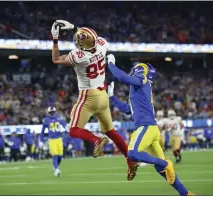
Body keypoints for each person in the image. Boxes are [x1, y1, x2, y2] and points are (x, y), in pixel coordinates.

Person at [49, 19, 137, 179]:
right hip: (103, 96)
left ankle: (96, 140)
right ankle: (130, 160)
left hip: (88, 97)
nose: (76, 42)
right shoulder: (102, 44)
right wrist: (76, 28)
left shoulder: (78, 56)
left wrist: (55, 39)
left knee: (74, 130)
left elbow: (55, 59)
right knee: (111, 132)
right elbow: (92, 37)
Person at [106, 54, 193, 195]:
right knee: (161, 170)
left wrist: (110, 64)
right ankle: (186, 194)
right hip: (151, 129)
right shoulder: (140, 90)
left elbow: (123, 78)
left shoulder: (141, 79)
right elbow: (128, 110)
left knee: (133, 154)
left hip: (145, 127)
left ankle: (166, 163)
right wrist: (112, 97)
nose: (134, 70)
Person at [40, 106, 67, 177]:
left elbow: (64, 125)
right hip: (52, 139)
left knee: (60, 156)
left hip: (59, 139)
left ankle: (56, 166)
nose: (52, 113)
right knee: (55, 155)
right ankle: (56, 169)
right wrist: (41, 139)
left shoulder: (59, 118)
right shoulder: (46, 120)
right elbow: (42, 131)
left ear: (55, 112)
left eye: (53, 112)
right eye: (50, 112)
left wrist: (64, 128)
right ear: (48, 113)